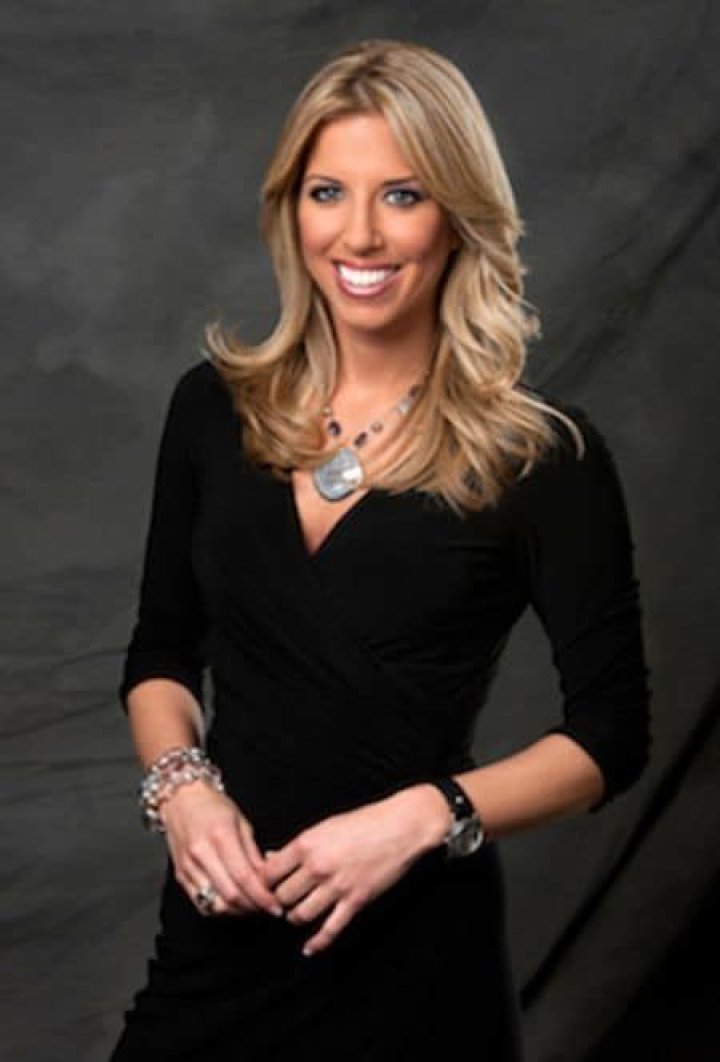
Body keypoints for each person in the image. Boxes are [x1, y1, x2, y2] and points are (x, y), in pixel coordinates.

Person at [108, 37, 651, 1062]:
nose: (358, 234)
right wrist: (181, 789)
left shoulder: (540, 457)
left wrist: (420, 818)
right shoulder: (212, 411)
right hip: (219, 941)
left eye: (403, 195)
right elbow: (162, 653)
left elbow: (610, 736)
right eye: (328, 192)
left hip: (417, 969)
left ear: (457, 215)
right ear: (291, 209)